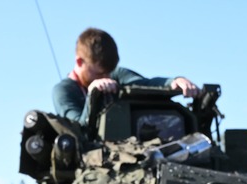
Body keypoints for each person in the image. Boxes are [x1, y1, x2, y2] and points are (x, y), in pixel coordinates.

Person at [50, 26, 198, 128]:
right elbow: (78, 129)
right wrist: (93, 95)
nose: (106, 77)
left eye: (109, 72)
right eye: (99, 73)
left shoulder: (115, 75)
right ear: (80, 62)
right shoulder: (64, 91)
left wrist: (173, 82)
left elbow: (144, 84)